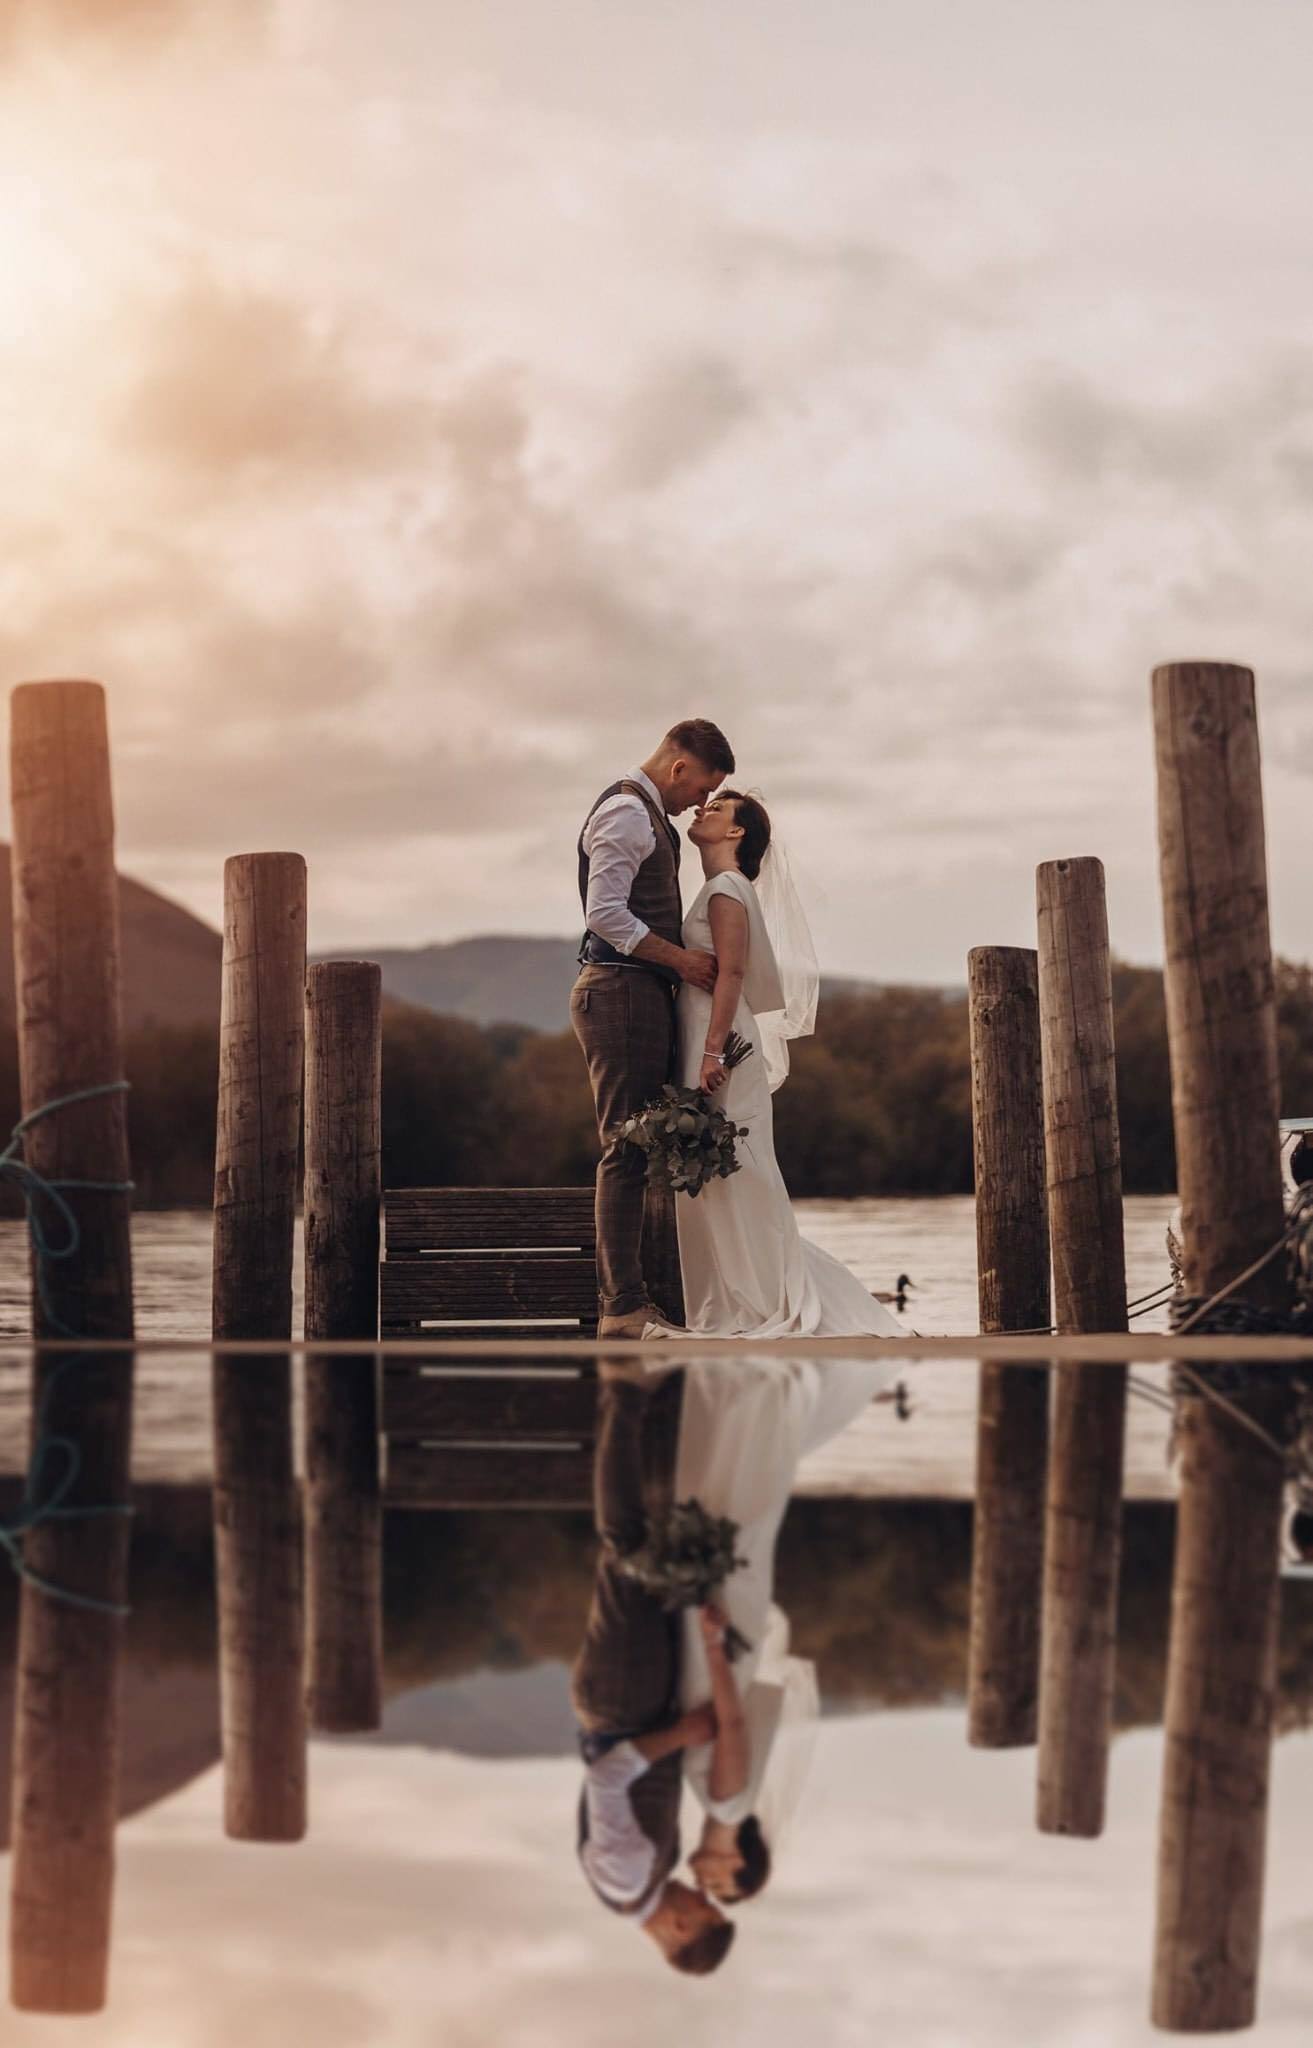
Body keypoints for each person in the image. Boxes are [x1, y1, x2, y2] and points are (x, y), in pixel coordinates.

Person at [652, 787, 911, 1343]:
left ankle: (759, 1298)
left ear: (737, 833)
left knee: (740, 1171)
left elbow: (733, 975)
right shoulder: (720, 889)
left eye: (716, 809)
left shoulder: (725, 889)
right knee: (718, 1175)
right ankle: (737, 1295)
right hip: (706, 1041)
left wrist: (712, 1052)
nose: (702, 811)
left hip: (718, 1046)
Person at [570, 719, 736, 1339]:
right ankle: (620, 1307)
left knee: (639, 1146)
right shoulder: (626, 812)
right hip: (618, 992)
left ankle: (637, 1299)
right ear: (679, 768)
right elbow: (604, 913)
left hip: (636, 993)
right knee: (625, 1147)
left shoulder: (646, 816)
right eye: (701, 788)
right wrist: (683, 961)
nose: (700, 801)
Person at [570, 1363, 737, 1974]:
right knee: (647, 1557)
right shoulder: (645, 1880)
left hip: (620, 1700)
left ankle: (621, 1389)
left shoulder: (626, 1878)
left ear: (681, 1927)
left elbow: (607, 1779)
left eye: (706, 1908)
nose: (703, 1894)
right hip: (634, 1700)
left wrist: (685, 1735)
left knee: (624, 1549)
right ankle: (650, 1397)